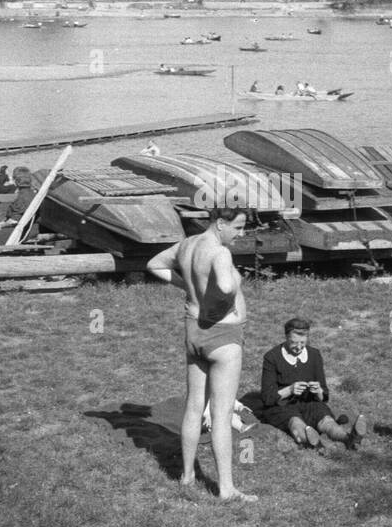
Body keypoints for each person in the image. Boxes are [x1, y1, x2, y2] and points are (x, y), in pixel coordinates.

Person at [146, 209, 257, 502]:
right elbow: (224, 287)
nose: (241, 233)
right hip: (222, 337)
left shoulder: (187, 244)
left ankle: (187, 476)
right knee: (220, 416)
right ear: (220, 223)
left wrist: (186, 285)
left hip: (194, 331)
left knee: (195, 406)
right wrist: (231, 291)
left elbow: (154, 263)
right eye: (238, 227)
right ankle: (226, 488)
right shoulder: (220, 253)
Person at [259, 318, 366, 449]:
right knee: (296, 423)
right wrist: (290, 390)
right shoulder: (272, 357)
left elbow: (324, 395)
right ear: (286, 337)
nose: (298, 347)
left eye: (302, 343)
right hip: (282, 406)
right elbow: (267, 397)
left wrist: (318, 391)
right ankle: (315, 443)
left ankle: (349, 438)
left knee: (327, 421)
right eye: (294, 343)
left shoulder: (314, 355)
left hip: (310, 403)